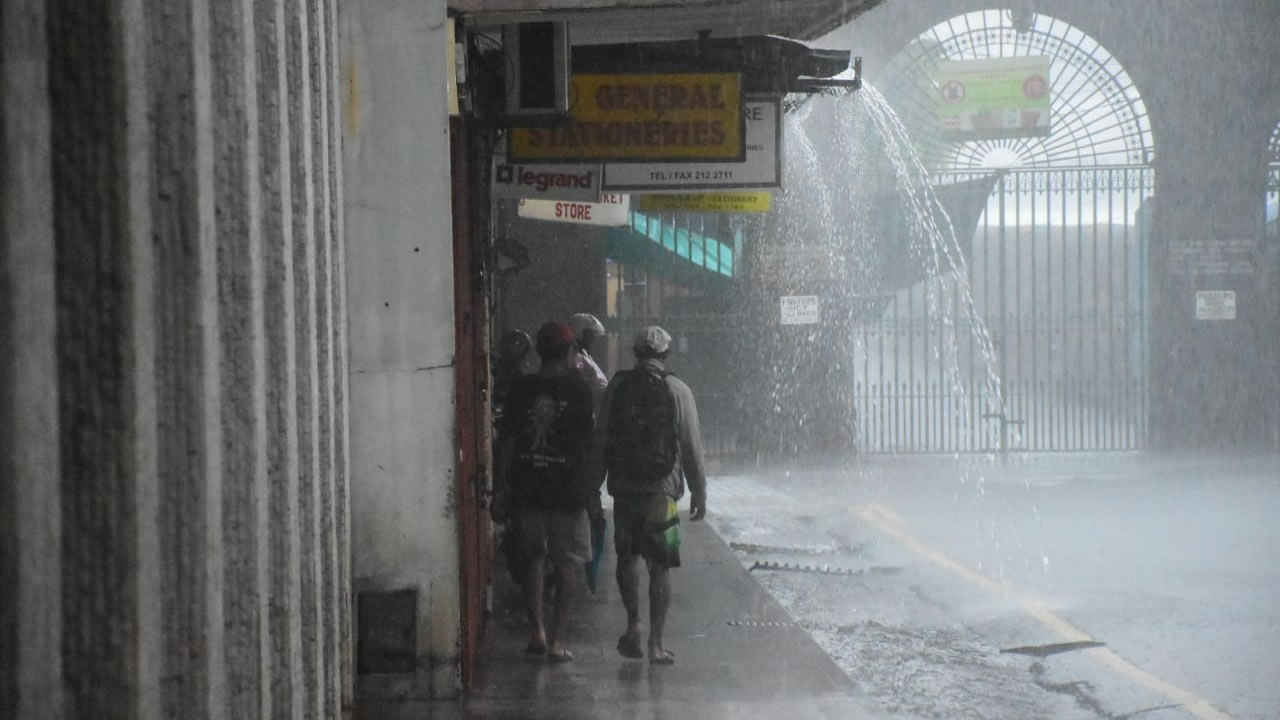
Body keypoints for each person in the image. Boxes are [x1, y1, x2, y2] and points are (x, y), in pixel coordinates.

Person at [591, 325, 707, 665]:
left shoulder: (617, 387)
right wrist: (699, 490)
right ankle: (657, 643)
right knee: (660, 567)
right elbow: (691, 446)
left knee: (626, 559)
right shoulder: (678, 390)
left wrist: (591, 487)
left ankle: (634, 624)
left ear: (636, 353)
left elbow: (602, 438)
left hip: (626, 490)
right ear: (666, 354)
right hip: (663, 494)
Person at [491, 321, 594, 662]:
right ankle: (559, 640)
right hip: (568, 491)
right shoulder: (580, 391)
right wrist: (592, 491)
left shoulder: (522, 389)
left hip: (528, 487)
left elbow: (507, 442)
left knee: (533, 560)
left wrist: (501, 487)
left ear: (537, 351)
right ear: (568, 352)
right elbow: (585, 445)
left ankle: (537, 631)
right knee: (568, 564)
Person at [568, 312, 609, 406]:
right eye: (590, 334)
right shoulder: (574, 357)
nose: (592, 339)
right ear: (579, 332)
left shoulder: (584, 353)